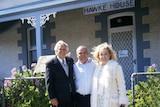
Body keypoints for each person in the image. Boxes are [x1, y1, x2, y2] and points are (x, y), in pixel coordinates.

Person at [91, 42, 128, 107]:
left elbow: (121, 84)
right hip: (98, 101)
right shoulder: (97, 68)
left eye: (105, 54)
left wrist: (122, 100)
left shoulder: (116, 67)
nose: (103, 56)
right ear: (98, 56)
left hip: (111, 101)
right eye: (101, 54)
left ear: (110, 55)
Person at [45, 40, 75, 107]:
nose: (62, 51)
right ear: (56, 51)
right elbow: (49, 82)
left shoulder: (70, 61)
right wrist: (52, 98)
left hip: (70, 96)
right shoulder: (50, 64)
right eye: (60, 49)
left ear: (67, 51)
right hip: (58, 98)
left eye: (64, 49)